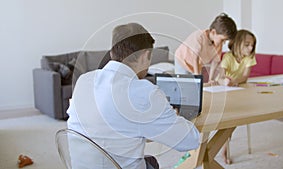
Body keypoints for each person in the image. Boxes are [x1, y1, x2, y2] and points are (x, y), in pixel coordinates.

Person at [67, 23, 201, 169]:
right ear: (145, 56)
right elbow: (189, 141)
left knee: (149, 160)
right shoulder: (144, 93)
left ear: (112, 53)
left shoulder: (84, 80)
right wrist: (171, 117)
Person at [217, 29, 257, 164]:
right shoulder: (228, 57)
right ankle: (222, 149)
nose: (250, 47)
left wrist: (235, 81)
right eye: (247, 44)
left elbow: (245, 76)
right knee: (229, 121)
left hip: (238, 90)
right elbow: (221, 77)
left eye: (252, 44)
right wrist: (227, 81)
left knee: (232, 121)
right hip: (224, 91)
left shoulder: (249, 58)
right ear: (238, 43)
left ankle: (222, 148)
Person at [175, 13, 237, 83]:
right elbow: (195, 57)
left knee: (197, 86)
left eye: (225, 40)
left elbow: (215, 61)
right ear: (213, 32)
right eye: (222, 40)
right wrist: (196, 75)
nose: (224, 43)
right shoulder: (199, 37)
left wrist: (211, 79)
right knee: (183, 83)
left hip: (197, 64)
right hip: (182, 60)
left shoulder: (218, 44)